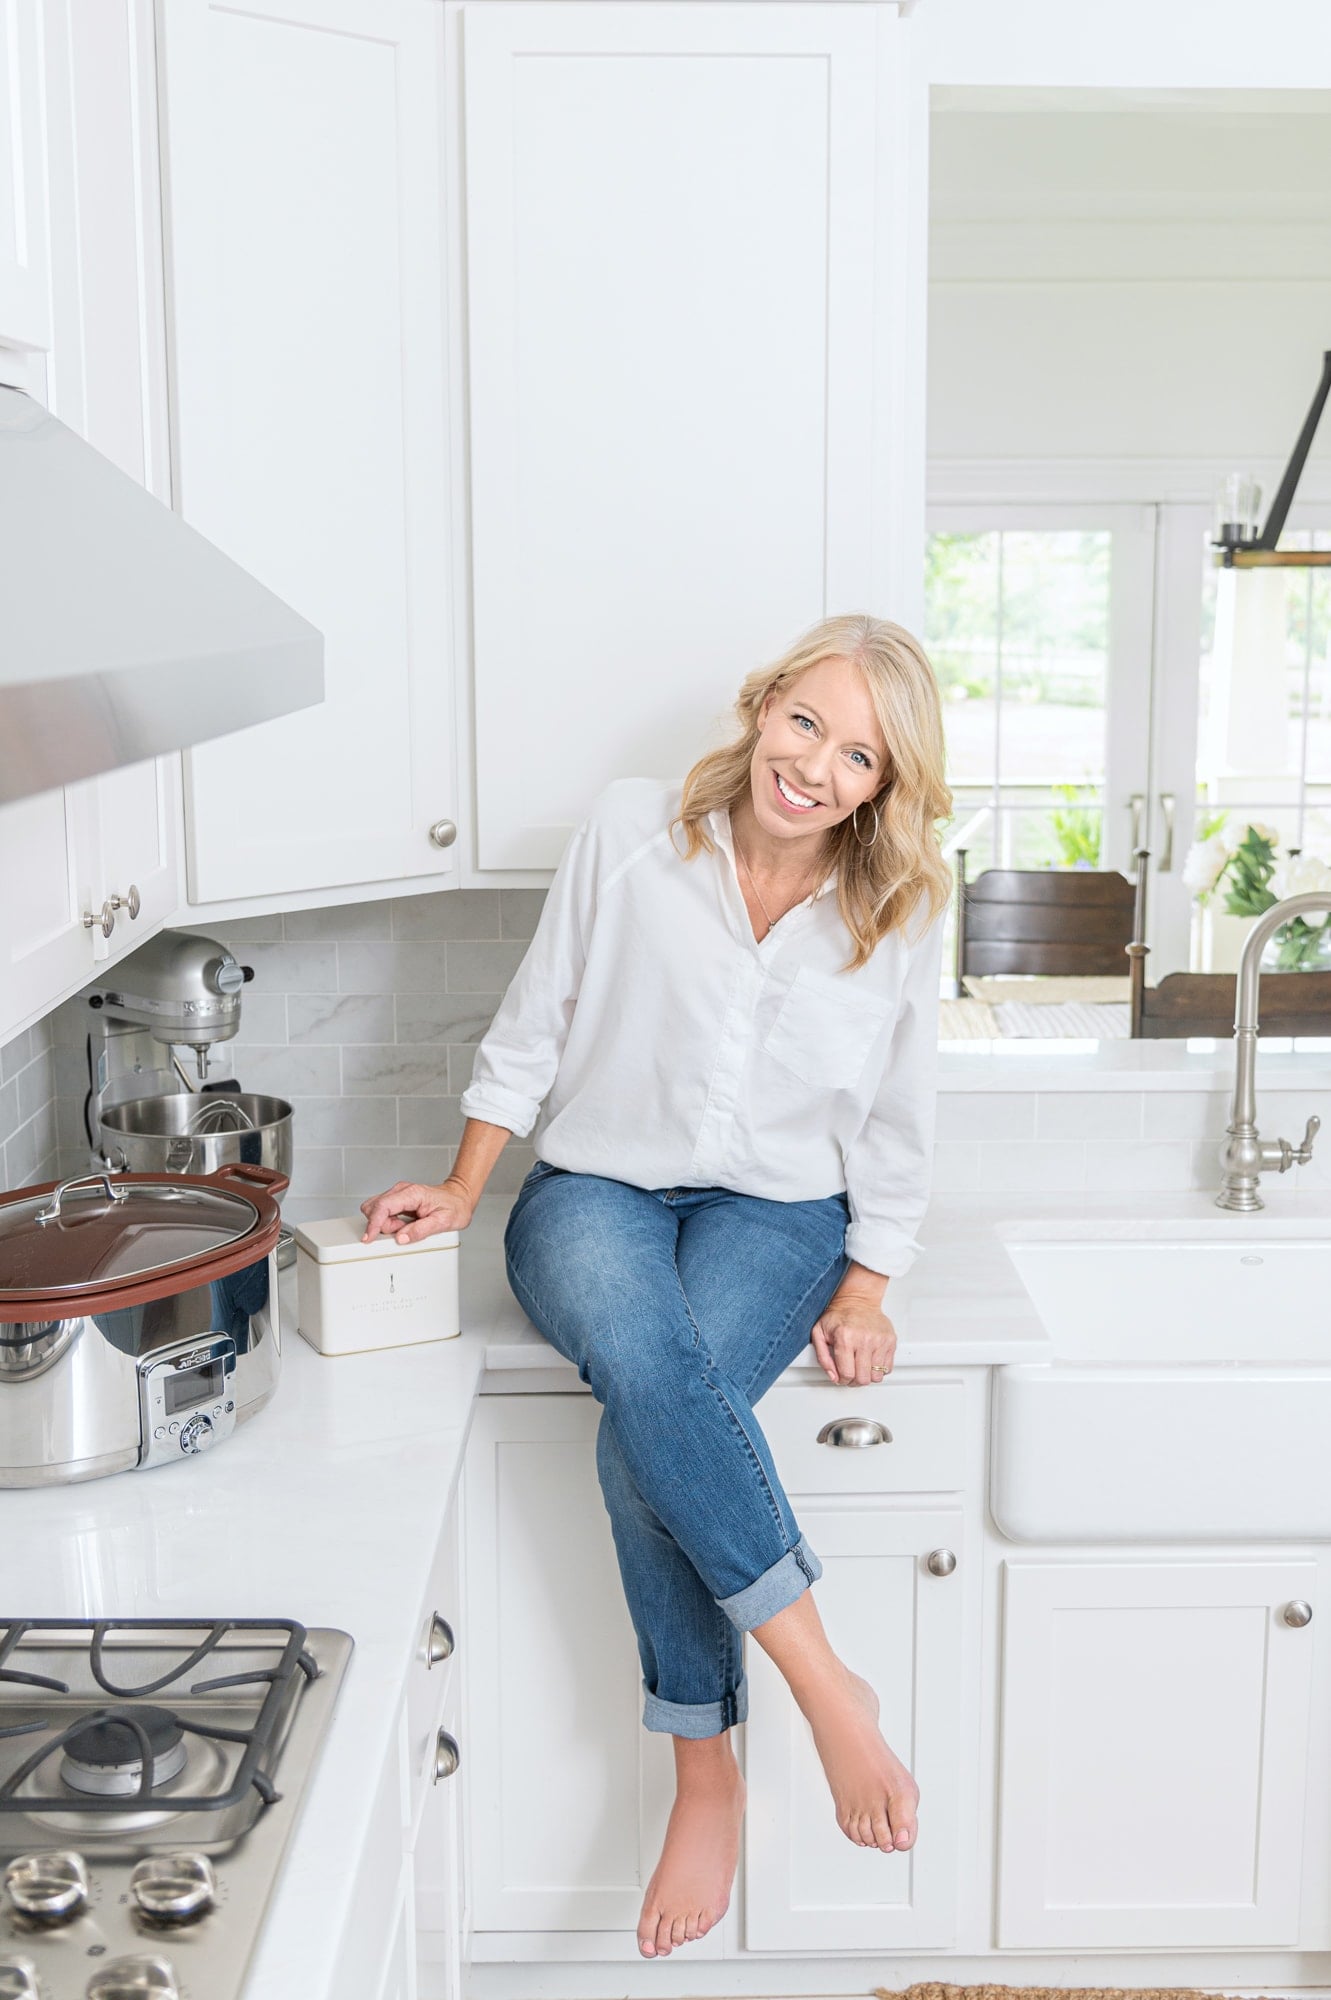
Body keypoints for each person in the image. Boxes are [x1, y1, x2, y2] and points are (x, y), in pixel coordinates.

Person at [361, 612, 951, 1959]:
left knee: (651, 1426)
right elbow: (537, 1017)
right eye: (805, 722)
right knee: (645, 1352)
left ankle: (703, 1766)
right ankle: (823, 1687)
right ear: (762, 705)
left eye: (858, 756)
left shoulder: (902, 906)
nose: (813, 767)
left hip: (781, 1212)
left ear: (881, 789)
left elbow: (903, 1115)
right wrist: (462, 1187)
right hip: (592, 1192)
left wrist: (868, 1285)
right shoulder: (634, 830)